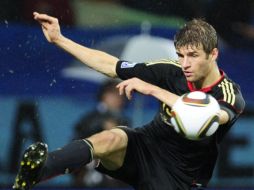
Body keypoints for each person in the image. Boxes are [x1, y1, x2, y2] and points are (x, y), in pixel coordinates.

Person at [13, 12, 245, 190]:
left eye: (193, 56)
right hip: (145, 147)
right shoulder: (171, 70)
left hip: (181, 178)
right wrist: (60, 39)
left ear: (213, 54)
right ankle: (38, 171)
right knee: (111, 137)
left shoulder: (229, 94)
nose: (184, 64)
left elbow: (206, 115)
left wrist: (152, 90)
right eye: (181, 55)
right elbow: (111, 66)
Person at [72, 79, 129, 187]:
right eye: (114, 94)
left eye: (121, 96)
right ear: (104, 95)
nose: (119, 99)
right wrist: (102, 127)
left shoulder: (124, 121)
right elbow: (78, 142)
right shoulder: (90, 119)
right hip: (91, 173)